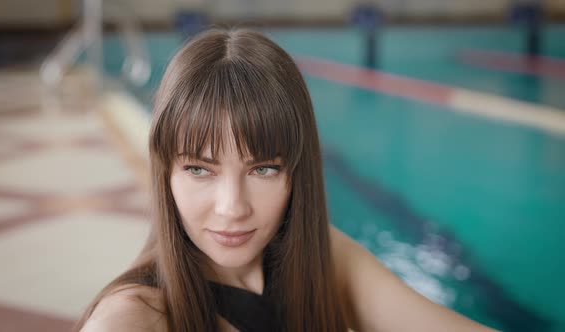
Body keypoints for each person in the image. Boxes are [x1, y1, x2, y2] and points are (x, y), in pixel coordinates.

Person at [76, 28, 499, 332]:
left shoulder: (322, 257)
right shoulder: (136, 317)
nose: (232, 207)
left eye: (263, 169)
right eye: (199, 170)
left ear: (296, 173)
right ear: (165, 174)